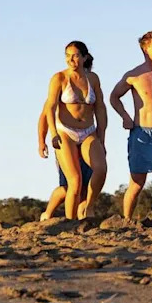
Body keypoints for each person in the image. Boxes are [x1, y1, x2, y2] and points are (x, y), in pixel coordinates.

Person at [109, 30, 152, 219]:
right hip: (142, 134)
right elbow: (114, 97)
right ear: (145, 49)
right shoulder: (134, 75)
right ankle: (127, 221)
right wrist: (125, 116)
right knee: (138, 182)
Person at [43, 43, 106, 220]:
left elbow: (100, 107)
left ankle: (89, 207)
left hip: (88, 131)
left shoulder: (93, 78)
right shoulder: (59, 78)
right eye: (67, 55)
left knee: (100, 169)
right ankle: (70, 223)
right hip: (65, 132)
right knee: (75, 182)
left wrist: (102, 134)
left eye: (76, 55)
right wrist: (52, 134)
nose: (71, 59)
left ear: (85, 57)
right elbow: (49, 108)